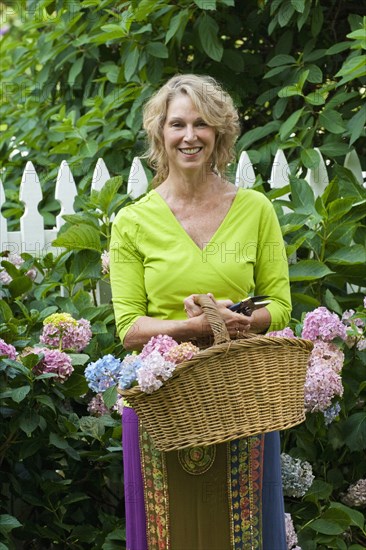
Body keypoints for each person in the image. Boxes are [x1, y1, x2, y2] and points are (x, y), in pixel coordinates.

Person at [110, 74, 291, 550]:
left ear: (219, 136)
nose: (189, 136)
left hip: (242, 392)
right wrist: (194, 326)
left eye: (202, 125)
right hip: (161, 399)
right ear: (160, 135)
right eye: (177, 124)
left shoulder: (255, 210)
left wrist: (245, 321)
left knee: (245, 529)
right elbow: (129, 328)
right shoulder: (132, 221)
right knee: (168, 532)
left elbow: (281, 304)